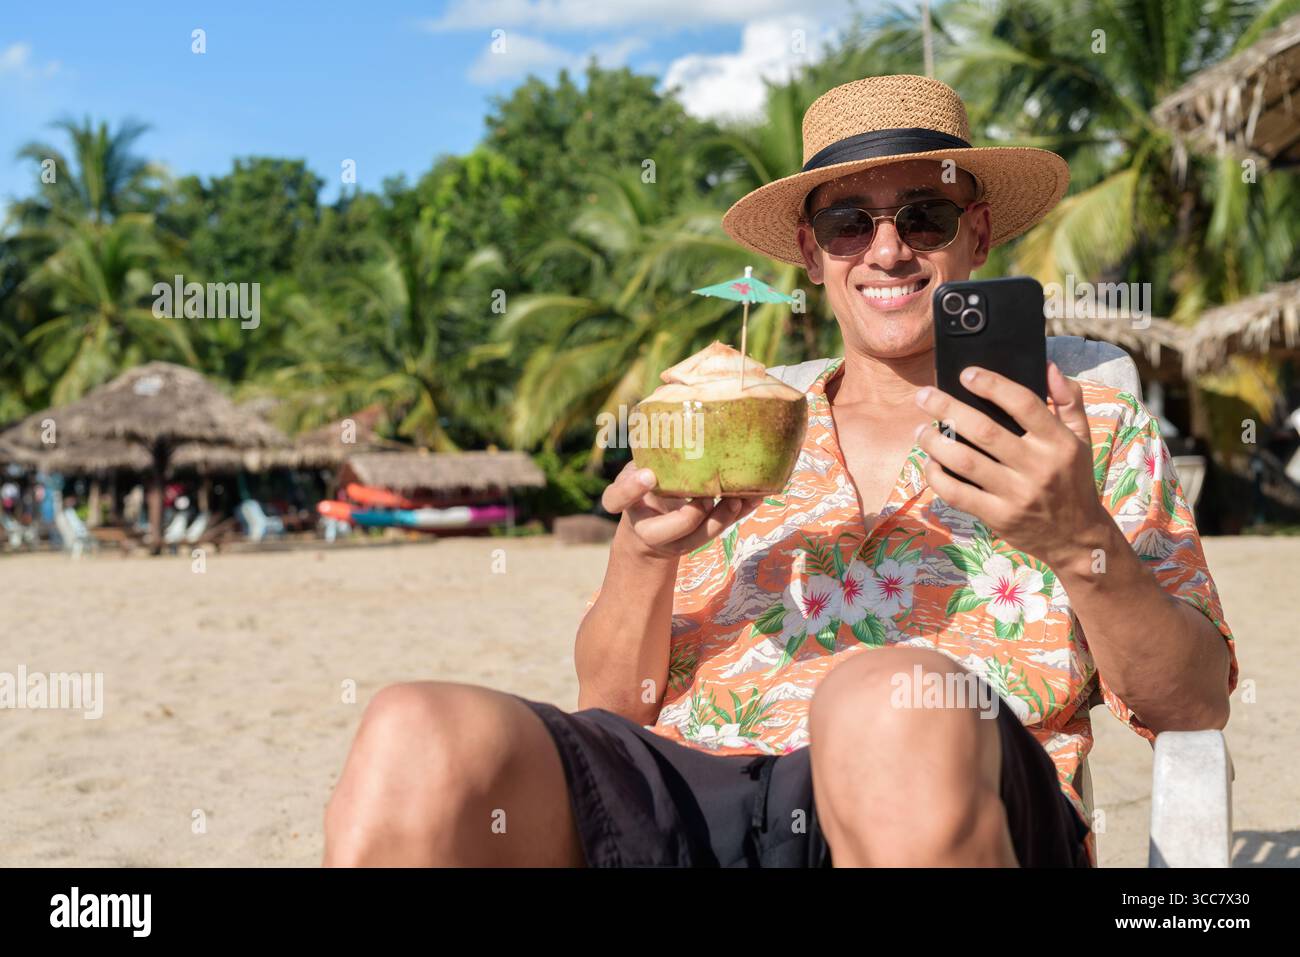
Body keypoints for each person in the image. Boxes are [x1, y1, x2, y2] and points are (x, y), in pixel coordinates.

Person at [323, 75, 1237, 867]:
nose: (887, 251)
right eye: (848, 223)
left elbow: (1191, 703)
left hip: (953, 788)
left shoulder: (1082, 428)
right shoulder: (737, 429)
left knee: (884, 696)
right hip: (705, 803)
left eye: (925, 214)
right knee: (417, 732)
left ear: (979, 232)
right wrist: (642, 553)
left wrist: (1079, 542)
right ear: (810, 252)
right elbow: (614, 706)